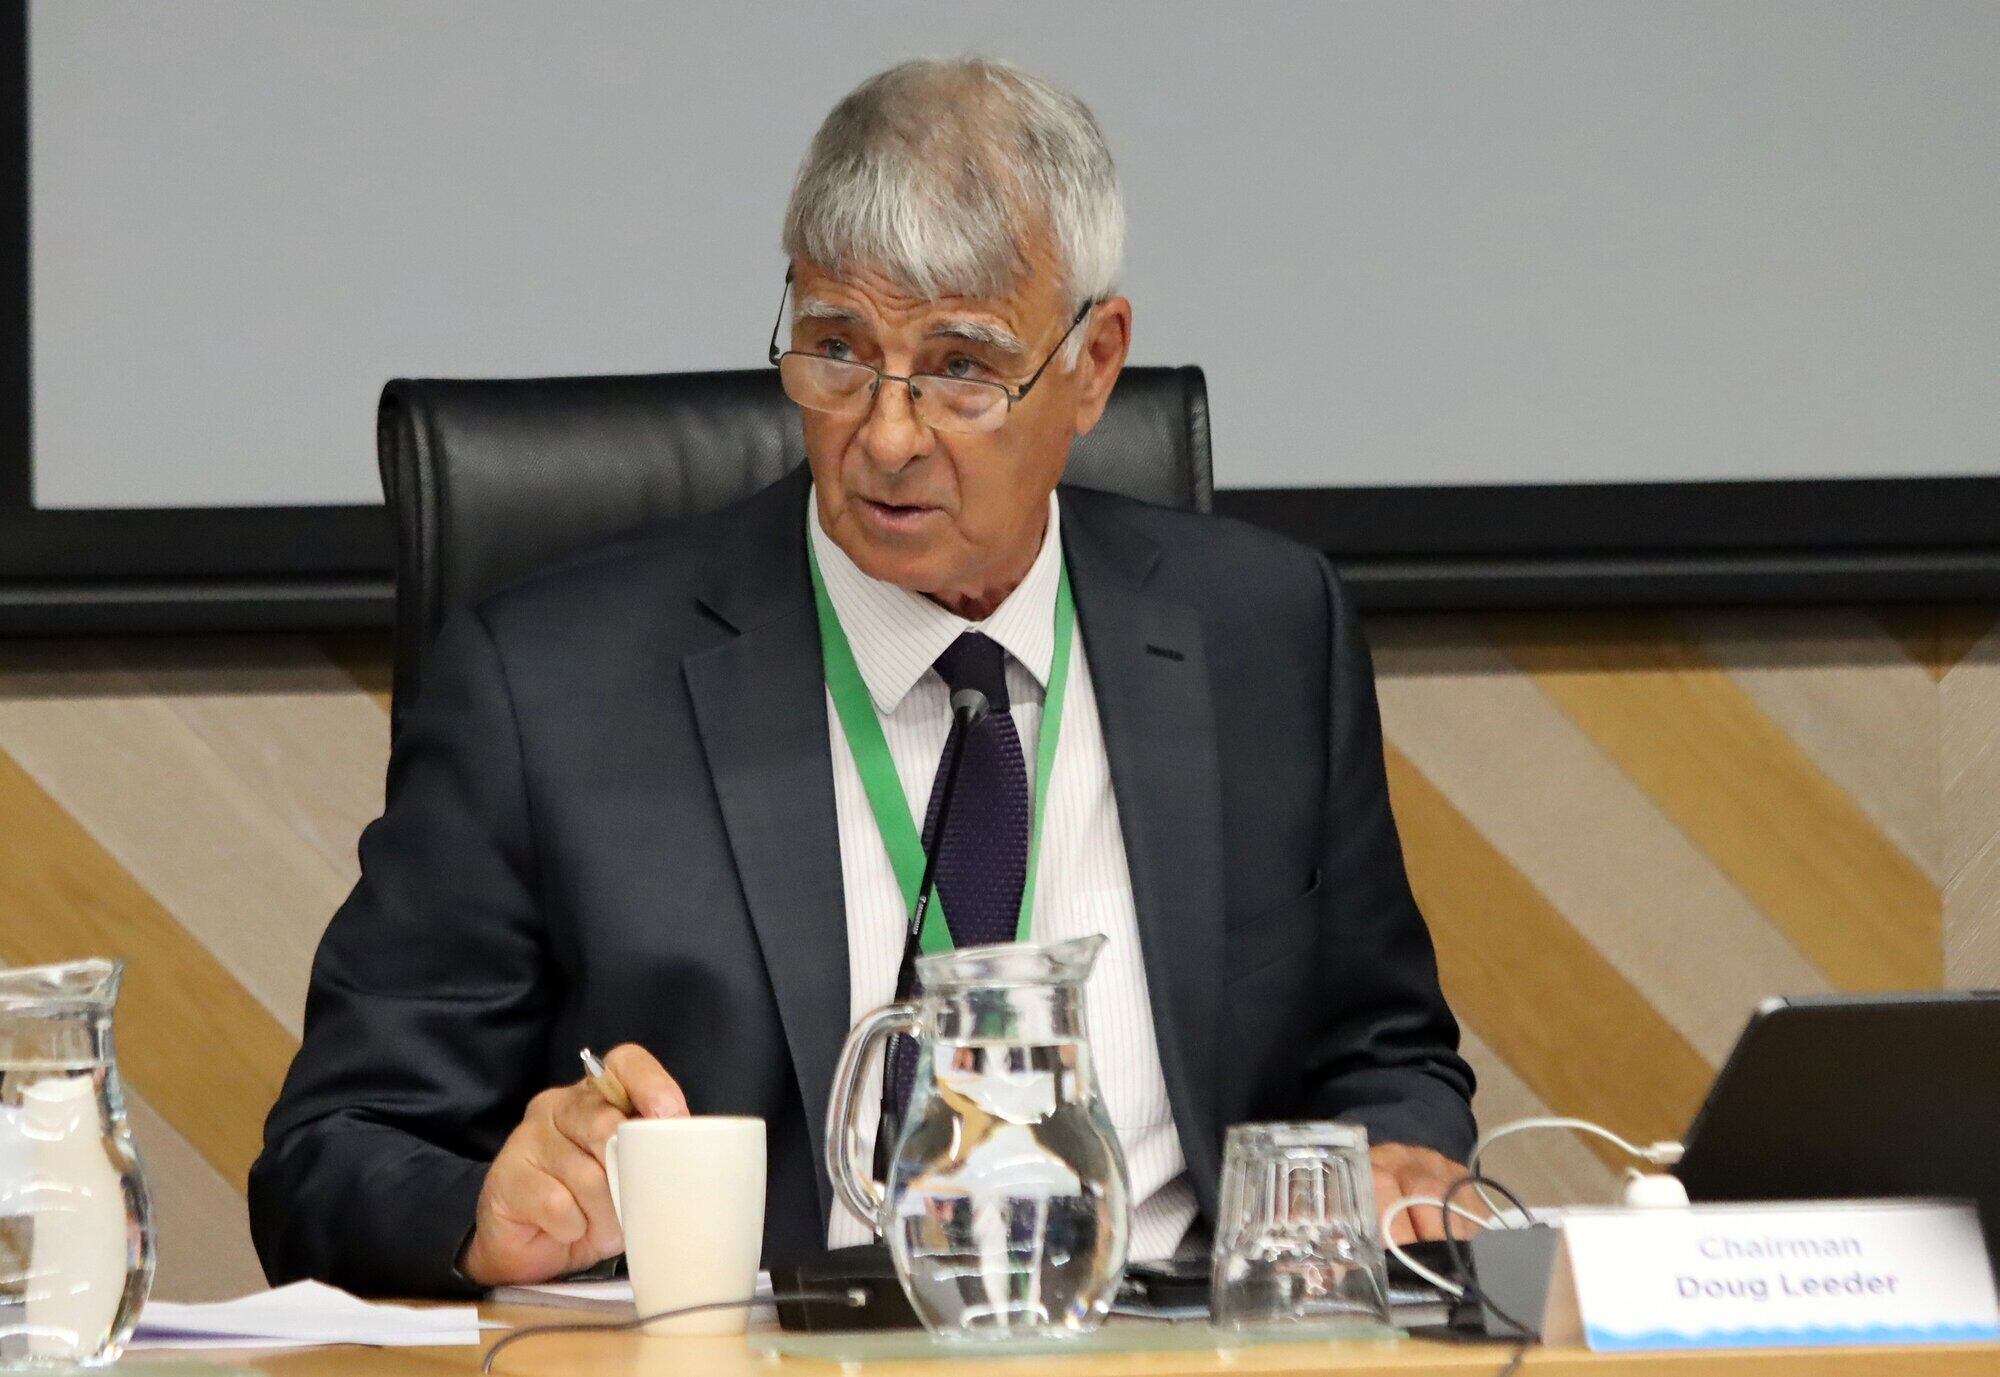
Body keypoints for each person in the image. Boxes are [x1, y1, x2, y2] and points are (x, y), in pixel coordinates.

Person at [249, 57, 1476, 1297]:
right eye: (836, 351)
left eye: (960, 368)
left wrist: (1388, 1164)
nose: (885, 435)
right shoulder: (552, 691)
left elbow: (1383, 1053)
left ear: (1093, 366)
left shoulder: (1262, 634)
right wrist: (483, 1209)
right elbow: (330, 1159)